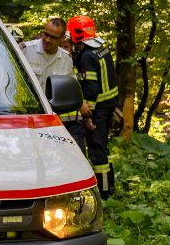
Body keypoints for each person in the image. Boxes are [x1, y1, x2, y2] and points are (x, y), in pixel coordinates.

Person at [68, 15, 119, 199]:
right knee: (102, 148)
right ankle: (108, 188)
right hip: (108, 106)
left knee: (97, 151)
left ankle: (104, 193)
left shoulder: (87, 56)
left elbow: (91, 88)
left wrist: (88, 115)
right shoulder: (101, 49)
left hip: (97, 111)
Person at [20, 18, 84, 147]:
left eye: (53, 37)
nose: (47, 40)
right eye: (46, 34)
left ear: (62, 39)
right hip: (25, 117)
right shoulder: (25, 50)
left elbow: (69, 89)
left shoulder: (66, 59)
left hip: (51, 121)